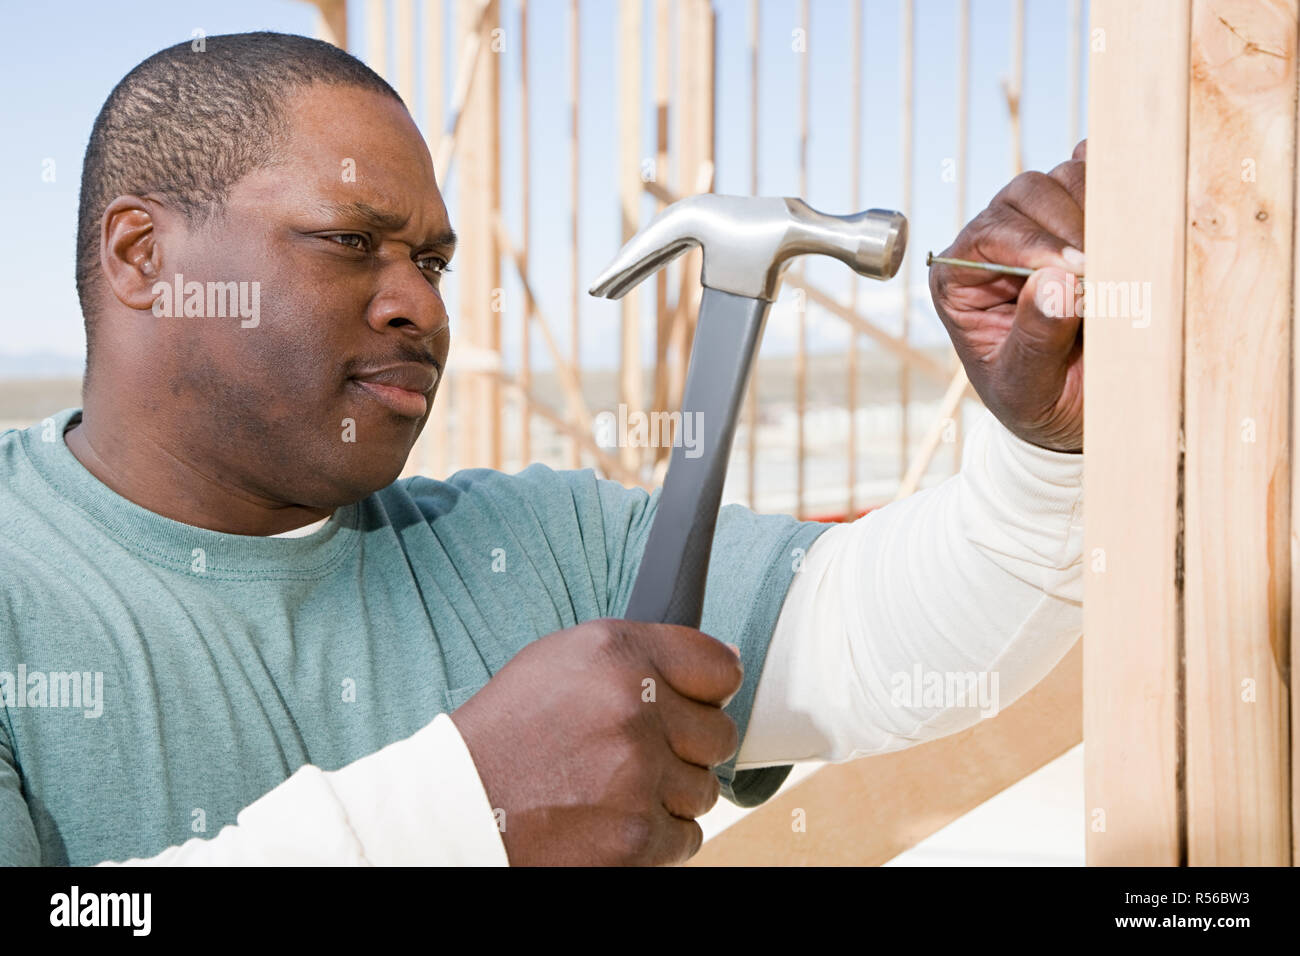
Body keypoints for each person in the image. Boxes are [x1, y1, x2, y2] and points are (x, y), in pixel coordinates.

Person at [0, 32, 1086, 866]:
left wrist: (1041, 457)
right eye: (349, 242)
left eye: (433, 262)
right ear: (145, 256)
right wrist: (463, 812)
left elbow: (889, 643)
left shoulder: (538, 545)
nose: (415, 305)